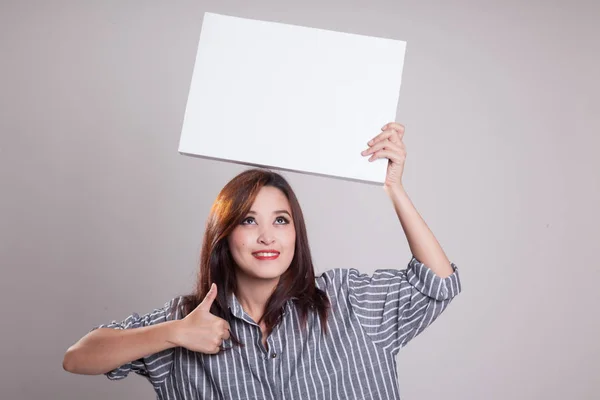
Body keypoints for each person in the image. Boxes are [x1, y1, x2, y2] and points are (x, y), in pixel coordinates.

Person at [63, 122, 462, 399]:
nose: (267, 236)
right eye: (249, 220)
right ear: (225, 234)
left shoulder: (348, 300)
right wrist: (173, 334)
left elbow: (437, 283)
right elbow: (78, 357)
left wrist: (394, 187)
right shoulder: (188, 320)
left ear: (295, 233)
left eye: (281, 220)